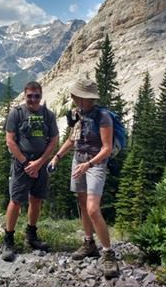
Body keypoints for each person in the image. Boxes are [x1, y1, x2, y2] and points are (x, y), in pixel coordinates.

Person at [49, 77, 119, 279]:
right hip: (77, 161)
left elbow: (106, 149)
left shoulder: (103, 117)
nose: (73, 98)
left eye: (76, 95)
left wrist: (88, 164)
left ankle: (108, 253)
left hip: (95, 164)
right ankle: (89, 243)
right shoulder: (78, 114)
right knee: (81, 203)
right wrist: (57, 156)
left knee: (92, 208)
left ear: (86, 98)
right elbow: (73, 139)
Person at [1, 81, 59, 262]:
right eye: (29, 96)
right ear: (25, 95)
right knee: (16, 200)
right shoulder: (16, 113)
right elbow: (10, 141)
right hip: (21, 163)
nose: (33, 99)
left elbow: (54, 139)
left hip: (40, 163)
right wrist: (27, 163)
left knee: (36, 199)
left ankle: (31, 236)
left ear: (41, 96)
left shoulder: (48, 115)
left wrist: (40, 163)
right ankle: (8, 239)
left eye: (37, 96)